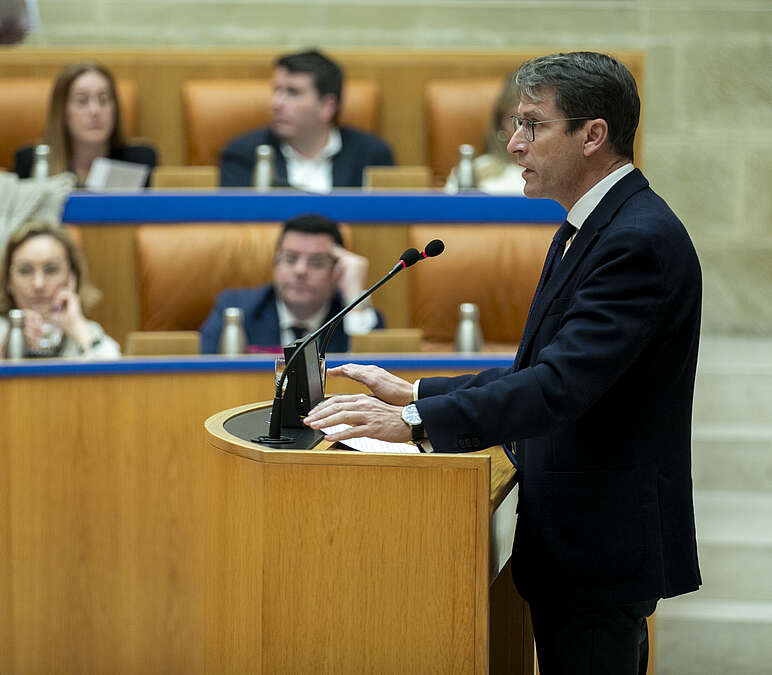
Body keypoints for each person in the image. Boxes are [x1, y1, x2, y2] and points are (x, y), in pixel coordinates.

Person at [305, 52, 701, 675]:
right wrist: (412, 390)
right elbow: (538, 366)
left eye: (533, 126)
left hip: (600, 541)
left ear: (592, 134)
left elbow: (559, 387)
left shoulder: (634, 240)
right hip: (581, 536)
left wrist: (414, 420)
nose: (514, 144)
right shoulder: (594, 224)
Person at [200, 213, 384, 353]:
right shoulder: (235, 310)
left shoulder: (357, 318)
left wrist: (354, 298)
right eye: (290, 259)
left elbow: (374, 375)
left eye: (316, 262)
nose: (300, 270)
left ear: (336, 270)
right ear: (276, 262)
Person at [219, 49, 394, 192]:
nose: (277, 103)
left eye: (293, 93)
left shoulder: (371, 155)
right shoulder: (244, 154)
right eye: (276, 91)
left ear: (327, 106)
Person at [0, 220, 120, 361]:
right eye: (25, 271)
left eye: (51, 270)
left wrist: (78, 328)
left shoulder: (86, 331)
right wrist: (5, 350)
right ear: (8, 280)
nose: (38, 284)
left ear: (71, 278)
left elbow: (118, 387)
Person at [13, 62, 157, 187]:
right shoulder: (34, 162)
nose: (95, 110)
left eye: (104, 100)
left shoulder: (137, 161)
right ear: (62, 112)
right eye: (82, 101)